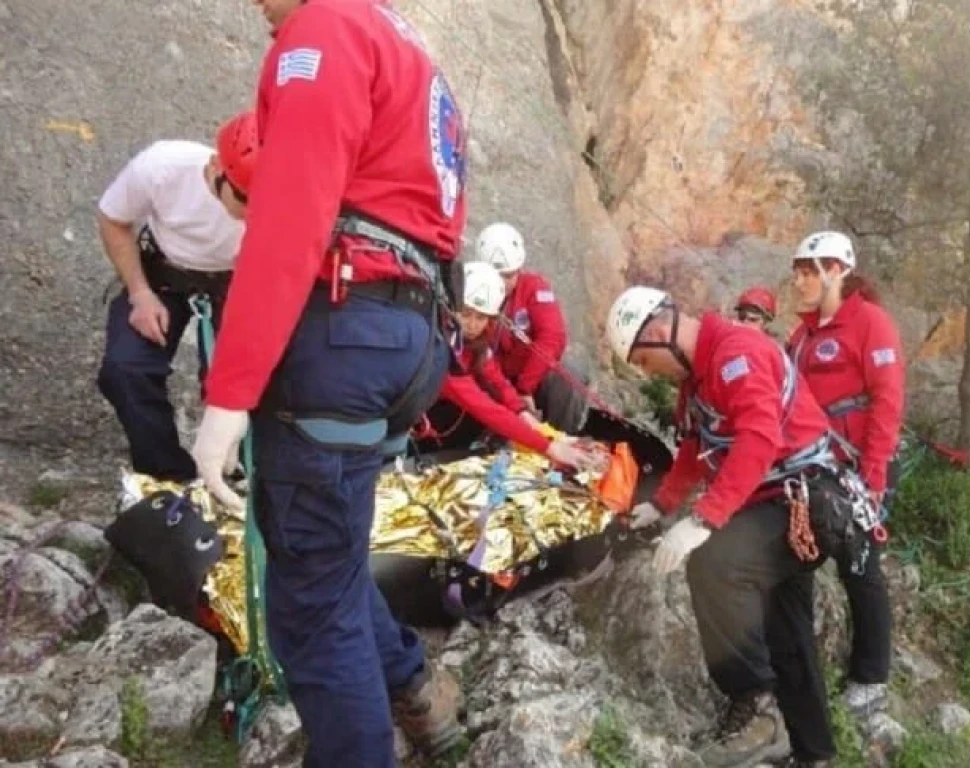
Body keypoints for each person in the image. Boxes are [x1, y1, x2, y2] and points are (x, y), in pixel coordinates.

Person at [190, 1, 470, 764]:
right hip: (407, 332)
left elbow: (290, 212)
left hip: (345, 331)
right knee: (331, 563)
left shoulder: (326, 28)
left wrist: (229, 393)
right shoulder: (401, 44)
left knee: (311, 606)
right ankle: (415, 688)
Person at [608, 285, 839, 768]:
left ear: (659, 331)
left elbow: (758, 437)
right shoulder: (699, 381)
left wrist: (704, 519)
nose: (649, 373)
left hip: (802, 500)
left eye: (645, 361)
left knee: (715, 564)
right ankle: (811, 751)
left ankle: (755, 705)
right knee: (786, 627)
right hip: (785, 502)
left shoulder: (737, 354)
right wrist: (663, 504)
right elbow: (696, 448)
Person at [786, 231, 904, 716]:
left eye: (807, 272)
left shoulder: (870, 323)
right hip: (815, 468)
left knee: (860, 566)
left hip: (859, 465)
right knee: (794, 560)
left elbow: (887, 400)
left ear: (835, 271)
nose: (799, 282)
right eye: (797, 272)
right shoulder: (802, 336)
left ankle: (871, 676)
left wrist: (874, 478)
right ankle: (796, 664)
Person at [95, 119, 252, 482]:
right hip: (163, 272)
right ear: (216, 169)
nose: (252, 211)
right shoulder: (161, 167)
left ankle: (241, 474)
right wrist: (139, 293)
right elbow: (113, 219)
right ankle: (169, 477)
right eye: (245, 198)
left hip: (239, 280)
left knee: (240, 380)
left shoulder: (286, 194)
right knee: (125, 369)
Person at [415, 261, 603, 467]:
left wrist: (541, 427)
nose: (472, 324)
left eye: (480, 317)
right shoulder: (440, 348)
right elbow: (483, 407)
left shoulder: (476, 346)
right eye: (466, 314)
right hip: (420, 421)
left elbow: (499, 384)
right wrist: (548, 447)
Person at [475, 221, 590, 434]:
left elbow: (552, 336)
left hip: (527, 377)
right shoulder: (471, 291)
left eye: (509, 275)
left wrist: (525, 387)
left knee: (568, 377)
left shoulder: (533, 288)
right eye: (498, 276)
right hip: (488, 377)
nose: (504, 283)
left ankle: (559, 438)